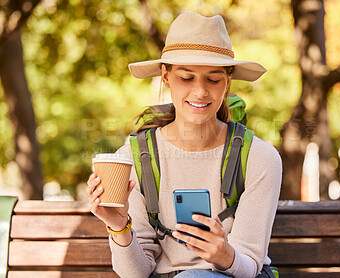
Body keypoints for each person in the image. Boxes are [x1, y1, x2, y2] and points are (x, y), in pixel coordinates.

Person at [86, 11, 282, 278]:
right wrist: (119, 225)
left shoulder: (258, 158)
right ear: (165, 77)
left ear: (228, 82)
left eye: (213, 79)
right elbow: (136, 274)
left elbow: (249, 266)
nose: (200, 92)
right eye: (186, 78)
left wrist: (225, 255)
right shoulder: (134, 158)